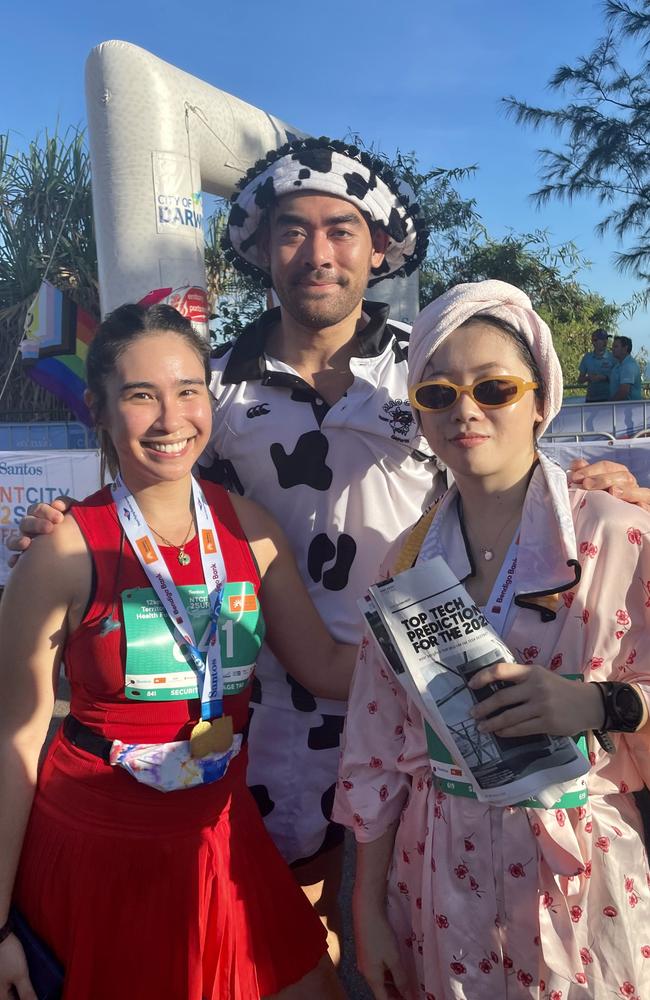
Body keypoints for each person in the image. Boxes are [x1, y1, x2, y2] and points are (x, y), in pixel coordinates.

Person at [8, 139, 647, 962]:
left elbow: (500, 464)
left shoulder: (426, 364)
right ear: (260, 248)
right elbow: (155, 489)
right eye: (292, 231)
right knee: (277, 944)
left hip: (438, 712)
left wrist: (601, 484)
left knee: (418, 936)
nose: (318, 253)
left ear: (378, 247)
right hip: (262, 721)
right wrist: (62, 527)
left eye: (341, 230)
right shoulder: (218, 386)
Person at [0, 303, 351, 1000]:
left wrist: (462, 638)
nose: (171, 418)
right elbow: (14, 738)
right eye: (141, 396)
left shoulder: (249, 528)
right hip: (99, 849)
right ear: (97, 410)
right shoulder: (64, 551)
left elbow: (328, 669)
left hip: (222, 833)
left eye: (189, 390)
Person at [335, 280, 650, 999]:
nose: (466, 411)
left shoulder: (618, 533)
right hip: (438, 877)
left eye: (496, 388)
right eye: (438, 394)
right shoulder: (406, 562)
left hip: (580, 878)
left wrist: (599, 704)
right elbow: (376, 749)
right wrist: (368, 905)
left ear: (541, 400)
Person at [577, 328, 613, 402]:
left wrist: (605, 378)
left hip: (609, 399)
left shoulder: (613, 358)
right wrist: (589, 378)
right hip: (591, 400)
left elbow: (619, 379)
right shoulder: (587, 358)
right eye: (602, 339)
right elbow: (580, 380)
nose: (606, 341)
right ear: (594, 342)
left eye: (606, 339)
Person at [610, 335, 644, 401]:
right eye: (613, 346)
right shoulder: (619, 364)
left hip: (627, 408)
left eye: (616, 347)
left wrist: (608, 405)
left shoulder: (628, 366)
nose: (612, 349)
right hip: (620, 407)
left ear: (625, 348)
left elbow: (624, 392)